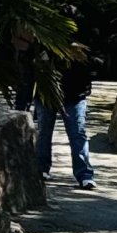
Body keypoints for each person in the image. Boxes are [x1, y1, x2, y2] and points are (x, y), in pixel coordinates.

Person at [34, 36, 97, 188]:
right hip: (47, 92)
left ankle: (84, 175)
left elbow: (96, 60)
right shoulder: (42, 31)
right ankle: (42, 169)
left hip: (75, 94)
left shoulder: (84, 28)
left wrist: (80, 52)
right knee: (44, 131)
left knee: (78, 133)